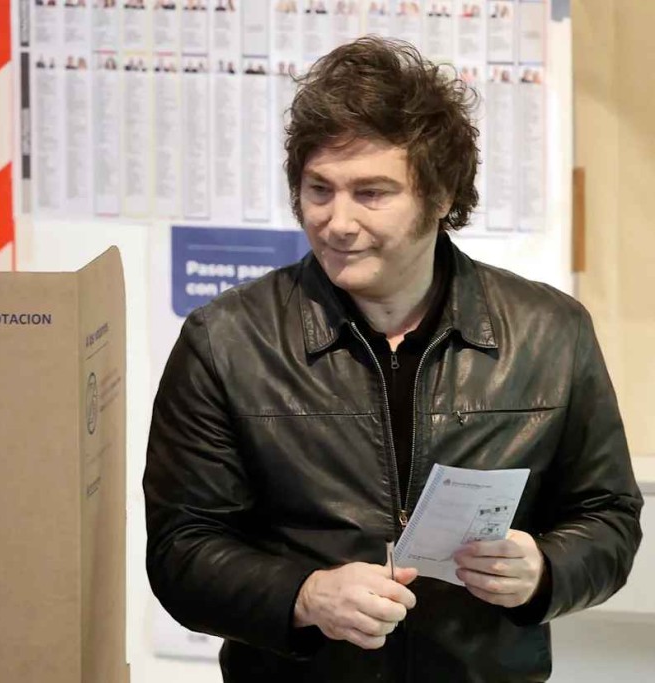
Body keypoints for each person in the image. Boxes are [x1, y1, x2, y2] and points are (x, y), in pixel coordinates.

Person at [145, 36, 642, 682]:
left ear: (441, 196)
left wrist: (545, 570)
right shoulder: (227, 341)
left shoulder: (550, 333)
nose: (336, 221)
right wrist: (305, 596)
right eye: (319, 189)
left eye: (371, 193)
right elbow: (181, 551)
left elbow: (608, 519)